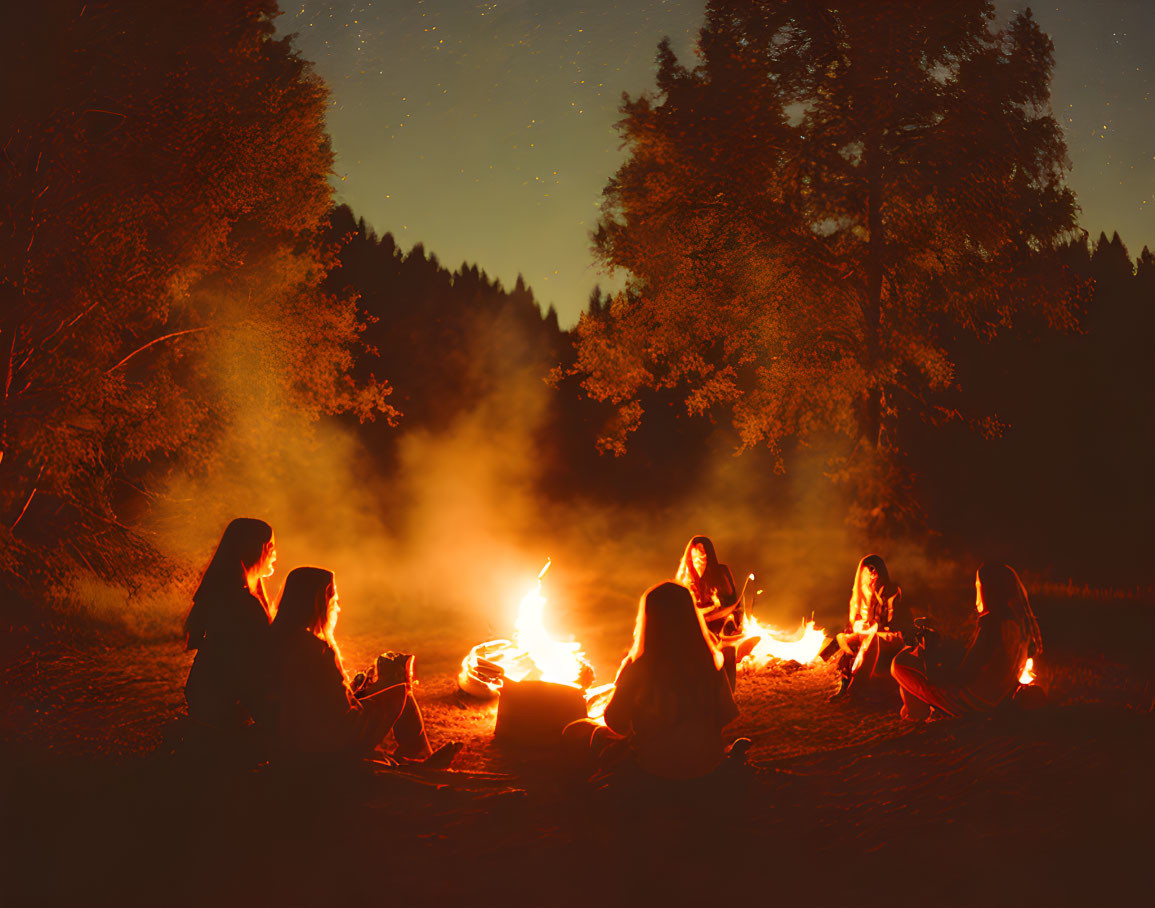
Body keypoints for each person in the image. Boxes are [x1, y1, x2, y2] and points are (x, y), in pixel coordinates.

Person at [268, 566, 460, 765]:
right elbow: (341, 713)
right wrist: (379, 687)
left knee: (382, 694)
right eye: (333, 602)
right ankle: (422, 758)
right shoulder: (317, 651)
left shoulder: (279, 638)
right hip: (333, 737)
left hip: (301, 735)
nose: (338, 608)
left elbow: (322, 698)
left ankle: (411, 762)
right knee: (400, 692)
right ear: (318, 604)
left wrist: (357, 689)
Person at [564, 581, 742, 781]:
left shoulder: (638, 668)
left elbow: (615, 721)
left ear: (648, 620)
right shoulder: (710, 665)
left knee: (588, 734)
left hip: (657, 768)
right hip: (708, 764)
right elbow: (726, 716)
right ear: (691, 618)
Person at [890, 563, 1043, 720]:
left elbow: (965, 674)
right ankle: (915, 711)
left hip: (975, 702)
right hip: (997, 698)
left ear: (988, 589)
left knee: (900, 663)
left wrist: (929, 658)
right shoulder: (1015, 621)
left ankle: (917, 713)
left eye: (977, 585)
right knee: (913, 656)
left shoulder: (991, 622)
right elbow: (983, 659)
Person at [184, 517, 277, 728]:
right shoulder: (240, 600)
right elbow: (253, 664)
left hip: (207, 690)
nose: (274, 555)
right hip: (221, 698)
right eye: (270, 547)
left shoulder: (226, 590)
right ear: (256, 549)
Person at [830, 554, 910, 700]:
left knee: (870, 641)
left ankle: (855, 689)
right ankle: (844, 684)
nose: (873, 575)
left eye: (875, 571)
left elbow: (893, 622)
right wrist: (859, 627)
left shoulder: (891, 590)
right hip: (872, 634)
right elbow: (857, 621)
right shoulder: (863, 594)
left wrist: (873, 626)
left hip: (893, 635)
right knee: (842, 638)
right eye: (869, 571)